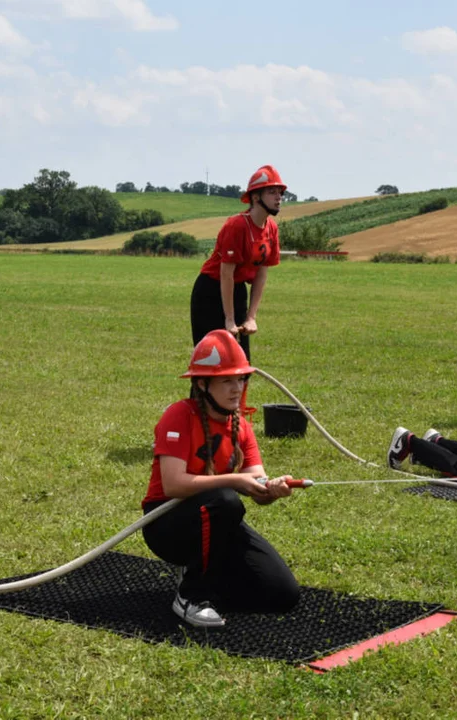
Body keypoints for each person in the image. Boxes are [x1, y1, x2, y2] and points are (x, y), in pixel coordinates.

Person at [141, 330, 300, 628]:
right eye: (227, 380)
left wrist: (272, 488)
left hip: (217, 520)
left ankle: (211, 585)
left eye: (241, 379)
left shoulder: (241, 426)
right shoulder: (178, 416)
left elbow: (256, 482)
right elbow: (174, 484)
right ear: (202, 384)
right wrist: (234, 481)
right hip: (167, 526)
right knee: (226, 500)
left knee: (282, 595)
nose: (236, 388)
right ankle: (191, 596)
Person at [190, 165, 285, 361]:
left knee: (241, 363)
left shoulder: (271, 229)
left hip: (238, 290)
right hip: (211, 291)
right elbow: (226, 273)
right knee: (211, 362)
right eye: (272, 192)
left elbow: (261, 273)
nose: (279, 198)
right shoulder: (237, 226)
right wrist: (229, 319)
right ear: (256, 197)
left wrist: (251, 317)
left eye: (280, 193)